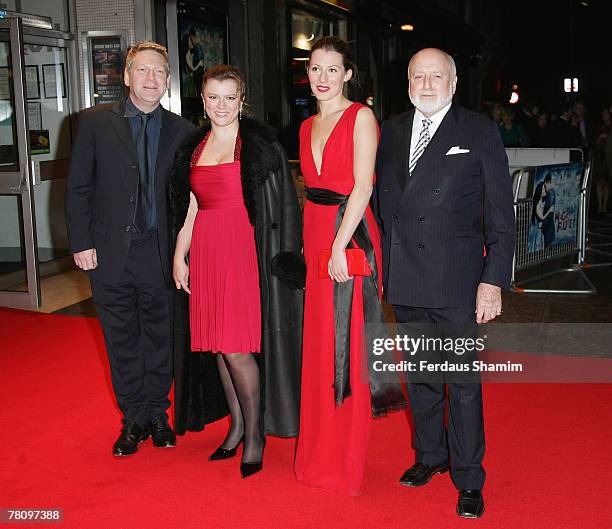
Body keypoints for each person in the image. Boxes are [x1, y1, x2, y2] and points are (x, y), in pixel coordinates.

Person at [374, 48, 515, 518]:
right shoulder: (390, 131)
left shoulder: (477, 131)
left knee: (463, 383)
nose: (427, 84)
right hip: (407, 279)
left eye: (437, 76)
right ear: (408, 82)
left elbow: (501, 215)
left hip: (457, 281)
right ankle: (430, 456)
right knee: (421, 378)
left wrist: (493, 279)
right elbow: (380, 204)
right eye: (419, 76)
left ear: (454, 83)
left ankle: (470, 477)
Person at [170, 64, 304, 478]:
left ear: (241, 100)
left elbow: (280, 209)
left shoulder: (257, 144)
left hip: (243, 250)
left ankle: (255, 435)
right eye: (214, 97)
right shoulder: (196, 146)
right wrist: (180, 254)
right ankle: (238, 426)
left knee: (236, 347)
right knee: (218, 347)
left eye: (230, 97)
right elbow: (192, 205)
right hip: (207, 248)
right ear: (203, 99)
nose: (222, 105)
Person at [65, 41, 194, 456]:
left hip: (161, 253)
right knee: (121, 340)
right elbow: (78, 188)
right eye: (143, 71)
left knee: (159, 338)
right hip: (109, 253)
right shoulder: (93, 123)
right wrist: (82, 242)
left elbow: (191, 196)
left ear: (168, 80)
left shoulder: (184, 131)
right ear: (126, 76)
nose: (151, 79)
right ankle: (133, 419)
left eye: (159, 72)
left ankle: (158, 414)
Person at [293, 36, 405, 496]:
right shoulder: (304, 126)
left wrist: (339, 246)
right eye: (315, 69)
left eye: (332, 69)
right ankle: (318, 451)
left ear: (348, 74)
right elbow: (311, 194)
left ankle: (344, 463)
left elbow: (362, 187)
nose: (322, 78)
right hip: (318, 234)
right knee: (321, 344)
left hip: (350, 235)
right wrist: (308, 246)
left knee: (349, 344)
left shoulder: (361, 118)